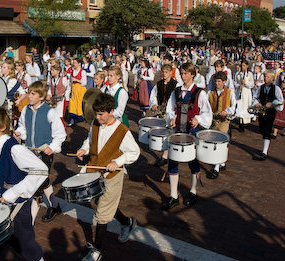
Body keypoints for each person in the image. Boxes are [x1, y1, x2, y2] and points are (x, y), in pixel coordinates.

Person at [0, 105, 47, 260]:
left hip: (18, 205)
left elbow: (41, 170)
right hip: (0, 202)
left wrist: (13, 193)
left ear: (2, 127)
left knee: (25, 244)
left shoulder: (14, 148)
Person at [76, 93, 140, 261]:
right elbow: (90, 140)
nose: (97, 117)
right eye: (96, 113)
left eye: (101, 114)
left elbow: (134, 152)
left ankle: (97, 251)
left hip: (113, 176)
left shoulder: (122, 131)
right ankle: (127, 222)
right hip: (95, 173)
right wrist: (84, 149)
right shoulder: (95, 123)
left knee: (102, 213)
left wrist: (118, 162)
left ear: (111, 111)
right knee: (103, 205)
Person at [15, 81, 66, 223]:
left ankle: (28, 224)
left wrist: (52, 147)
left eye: (33, 94)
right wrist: (19, 133)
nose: (29, 96)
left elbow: (60, 134)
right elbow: (23, 127)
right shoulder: (25, 110)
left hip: (44, 154)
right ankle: (55, 206)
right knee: (42, 182)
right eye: (29, 93)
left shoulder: (50, 112)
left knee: (35, 188)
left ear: (42, 97)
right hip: (30, 152)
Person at [164, 62, 212, 209]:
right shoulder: (176, 91)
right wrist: (171, 118)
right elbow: (170, 108)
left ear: (192, 74)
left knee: (193, 161)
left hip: (192, 131)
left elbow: (207, 113)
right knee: (172, 161)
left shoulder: (200, 93)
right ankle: (173, 196)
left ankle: (193, 191)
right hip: (178, 130)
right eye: (182, 73)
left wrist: (198, 119)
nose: (183, 76)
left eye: (186, 73)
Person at [206, 71, 236, 179]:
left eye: (219, 81)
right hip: (214, 121)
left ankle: (216, 168)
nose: (217, 83)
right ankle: (222, 162)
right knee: (214, 141)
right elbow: (206, 104)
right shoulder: (210, 92)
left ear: (224, 82)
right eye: (216, 81)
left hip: (224, 121)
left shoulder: (230, 92)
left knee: (220, 142)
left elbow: (233, 106)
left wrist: (227, 111)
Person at [149, 63, 178, 166]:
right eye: (163, 72)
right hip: (161, 112)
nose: (164, 74)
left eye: (166, 72)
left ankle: (165, 156)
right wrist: (154, 104)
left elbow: (177, 100)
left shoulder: (176, 85)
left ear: (171, 72)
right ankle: (165, 154)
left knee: (170, 133)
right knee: (163, 133)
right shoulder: (159, 84)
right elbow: (153, 96)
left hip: (171, 112)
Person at [252, 70, 284, 160]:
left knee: (267, 129)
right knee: (262, 129)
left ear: (272, 78)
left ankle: (264, 151)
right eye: (265, 77)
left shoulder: (276, 88)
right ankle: (264, 145)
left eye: (268, 77)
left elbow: (280, 100)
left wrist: (272, 103)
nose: (266, 78)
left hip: (270, 112)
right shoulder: (260, 87)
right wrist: (256, 103)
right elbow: (255, 97)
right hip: (261, 111)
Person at [234, 60, 254, 132]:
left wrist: (246, 83)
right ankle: (240, 123)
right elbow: (235, 83)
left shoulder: (250, 74)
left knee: (245, 106)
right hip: (239, 92)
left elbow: (252, 84)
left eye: (244, 66)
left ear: (247, 66)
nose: (242, 67)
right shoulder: (237, 74)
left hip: (246, 92)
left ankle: (245, 122)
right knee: (240, 106)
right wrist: (238, 86)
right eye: (242, 65)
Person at [68, 58, 87, 126]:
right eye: (73, 63)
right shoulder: (72, 71)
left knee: (79, 104)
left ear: (79, 64)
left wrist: (76, 80)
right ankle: (72, 118)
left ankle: (81, 117)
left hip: (80, 90)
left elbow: (84, 83)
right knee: (72, 104)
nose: (74, 64)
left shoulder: (82, 72)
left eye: (75, 63)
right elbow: (70, 81)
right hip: (73, 89)